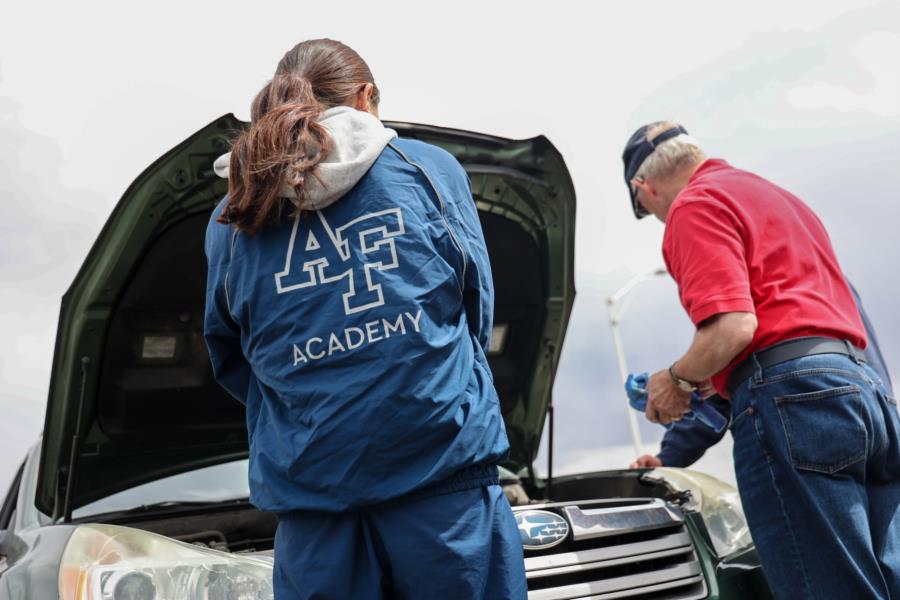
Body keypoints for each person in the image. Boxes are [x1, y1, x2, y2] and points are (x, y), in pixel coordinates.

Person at [204, 39, 526, 599]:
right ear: (366, 98)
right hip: (444, 491)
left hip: (314, 507)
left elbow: (229, 352)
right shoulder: (426, 169)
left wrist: (314, 404)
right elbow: (476, 308)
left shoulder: (233, 213)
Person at [621, 121, 900, 599]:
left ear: (642, 187)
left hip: (796, 408)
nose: (659, 217)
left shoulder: (694, 204)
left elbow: (733, 327)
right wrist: (711, 381)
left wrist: (677, 380)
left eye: (648, 209)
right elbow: (789, 322)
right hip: (869, 400)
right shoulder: (781, 200)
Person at [631, 283, 894, 469]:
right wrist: (669, 456)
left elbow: (731, 342)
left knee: (816, 547)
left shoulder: (758, 273)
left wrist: (678, 380)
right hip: (880, 414)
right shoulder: (823, 267)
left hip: (806, 412)